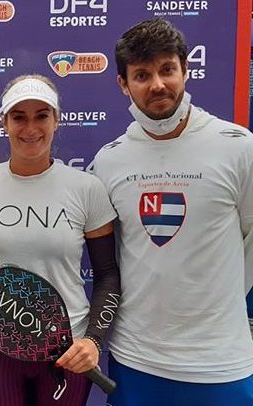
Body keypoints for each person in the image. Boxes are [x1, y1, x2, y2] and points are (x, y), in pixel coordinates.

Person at [0, 74, 121, 406]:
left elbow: (107, 275)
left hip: (67, 348)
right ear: (4, 122)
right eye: (19, 117)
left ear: (56, 120)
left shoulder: (87, 189)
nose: (30, 128)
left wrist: (92, 340)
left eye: (41, 116)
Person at [93, 18, 253, 406]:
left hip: (221, 364)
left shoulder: (238, 146)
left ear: (186, 70)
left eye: (167, 69)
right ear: (123, 84)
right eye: (142, 75)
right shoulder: (108, 161)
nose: (157, 85)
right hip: (135, 361)